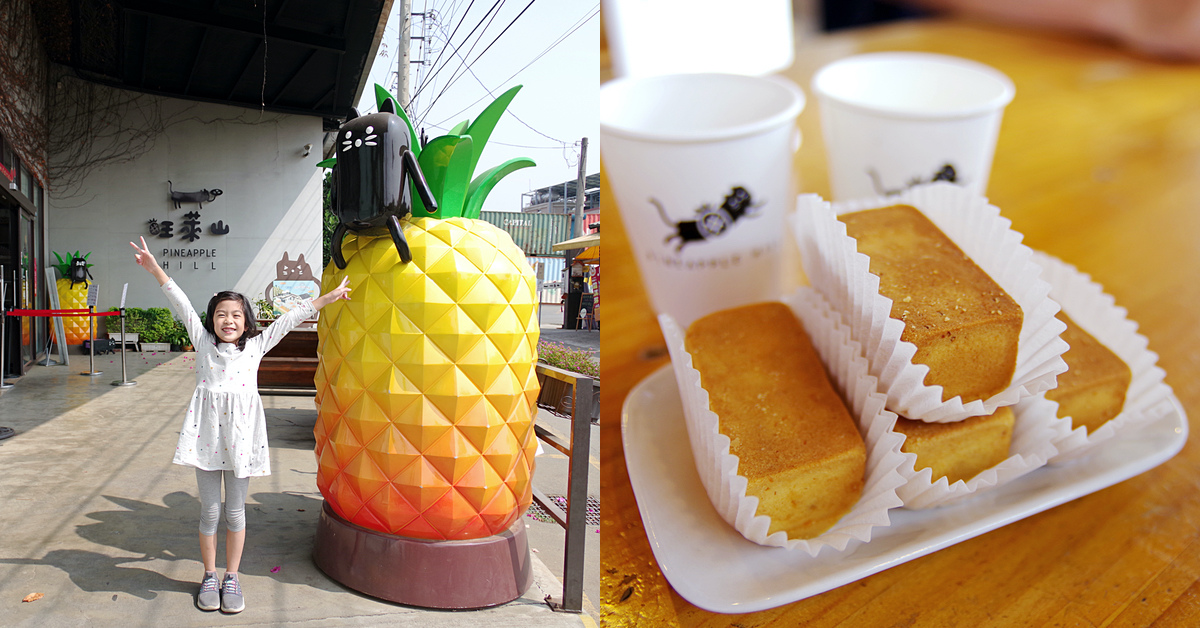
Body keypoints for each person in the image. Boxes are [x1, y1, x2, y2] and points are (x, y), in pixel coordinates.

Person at [129, 236, 350, 614]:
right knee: (210, 512)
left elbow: (291, 317)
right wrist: (154, 269)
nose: (227, 321)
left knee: (235, 512)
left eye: (235, 315)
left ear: (246, 320)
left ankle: (232, 575)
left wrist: (327, 298)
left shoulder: (257, 347)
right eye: (220, 314)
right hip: (207, 437)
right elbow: (180, 302)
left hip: (242, 440)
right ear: (211, 320)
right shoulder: (203, 343)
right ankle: (210, 574)